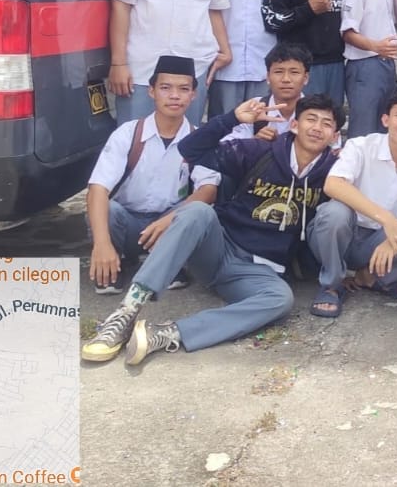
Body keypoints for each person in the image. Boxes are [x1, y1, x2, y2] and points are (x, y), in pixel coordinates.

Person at [80, 94, 341, 366]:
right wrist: (232, 119)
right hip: (219, 248)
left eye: (326, 124)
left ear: (335, 136)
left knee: (281, 300)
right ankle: (126, 312)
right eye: (311, 119)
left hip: (258, 272)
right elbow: (190, 150)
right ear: (294, 125)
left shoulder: (334, 173)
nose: (317, 128)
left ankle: (167, 333)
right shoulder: (260, 151)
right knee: (197, 211)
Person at [86, 55, 221, 294]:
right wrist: (101, 244)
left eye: (183, 89)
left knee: (195, 213)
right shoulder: (128, 133)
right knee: (109, 209)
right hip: (128, 222)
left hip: (168, 223)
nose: (174, 96)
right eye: (165, 88)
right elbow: (98, 187)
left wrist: (169, 220)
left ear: (193, 95)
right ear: (151, 91)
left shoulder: (199, 138)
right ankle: (114, 260)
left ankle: (169, 262)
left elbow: (208, 190)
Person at [305, 86, 397, 318]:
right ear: (386, 119)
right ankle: (331, 285)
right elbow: (333, 184)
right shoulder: (360, 146)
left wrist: (394, 238)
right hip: (338, 236)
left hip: (378, 241)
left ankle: (370, 277)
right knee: (335, 211)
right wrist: (388, 220)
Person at [342, 0, 397, 139]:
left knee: (385, 130)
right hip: (364, 65)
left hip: (388, 64)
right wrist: (376, 47)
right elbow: (347, 32)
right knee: (363, 132)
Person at [223, 43, 311, 142]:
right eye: (278, 72)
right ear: (268, 77)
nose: (286, 79)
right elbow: (227, 145)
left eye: (294, 72)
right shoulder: (254, 107)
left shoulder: (316, 111)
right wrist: (255, 142)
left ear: (306, 78)